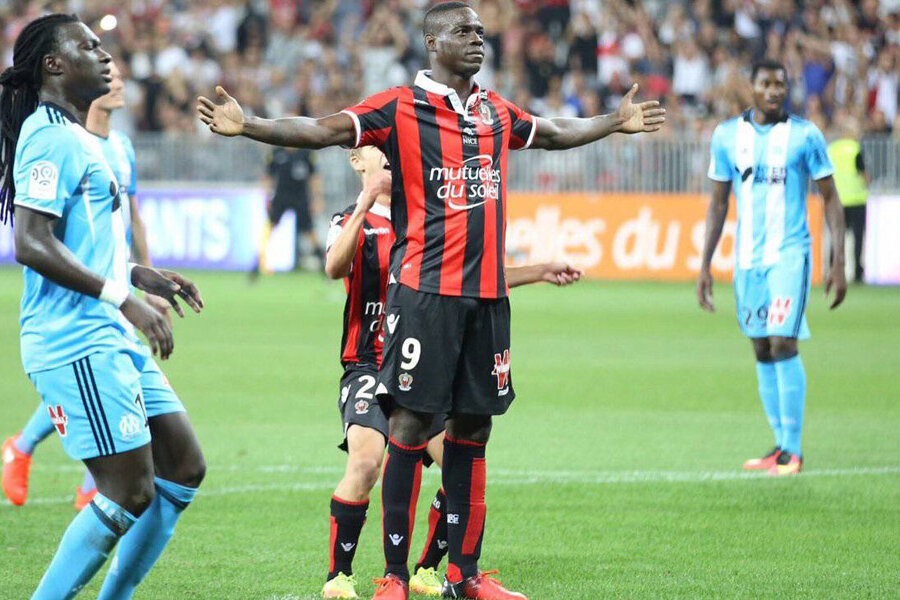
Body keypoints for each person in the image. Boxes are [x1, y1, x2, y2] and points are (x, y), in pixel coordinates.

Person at [197, 3, 664, 598]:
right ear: (433, 42)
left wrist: (613, 121)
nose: (478, 39)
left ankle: (464, 576)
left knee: (474, 430)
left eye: (481, 31)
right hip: (425, 295)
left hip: (487, 298)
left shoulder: (495, 110)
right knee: (411, 426)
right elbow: (321, 129)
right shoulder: (399, 107)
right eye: (464, 31)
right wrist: (251, 125)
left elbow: (551, 133)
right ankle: (394, 576)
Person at [0, 15, 206, 599]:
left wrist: (139, 274)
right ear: (54, 64)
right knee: (128, 488)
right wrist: (124, 299)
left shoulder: (81, 137)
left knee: (182, 467)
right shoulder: (48, 136)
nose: (105, 55)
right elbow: (31, 242)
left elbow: (82, 241)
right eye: (89, 46)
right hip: (74, 339)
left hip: (105, 332)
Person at [321, 145, 583, 599]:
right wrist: (364, 205)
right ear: (357, 161)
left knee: (457, 463)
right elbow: (333, 267)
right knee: (366, 460)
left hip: (424, 358)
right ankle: (339, 575)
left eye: (393, 146)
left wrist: (540, 270)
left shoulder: (425, 219)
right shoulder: (350, 220)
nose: (389, 152)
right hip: (369, 363)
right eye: (377, 147)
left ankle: (427, 569)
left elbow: (475, 277)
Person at [1, 60, 172, 512]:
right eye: (110, 76)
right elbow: (38, 237)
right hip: (82, 292)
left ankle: (70, 474)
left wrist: (143, 275)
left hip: (117, 277)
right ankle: (41, 457)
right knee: (101, 377)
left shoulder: (122, 146)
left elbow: (131, 217)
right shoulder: (67, 142)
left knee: (113, 379)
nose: (119, 83)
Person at [698, 59, 847, 477]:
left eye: (780, 84)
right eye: (765, 83)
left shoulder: (805, 135)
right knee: (762, 346)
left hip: (789, 255)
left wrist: (837, 261)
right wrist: (705, 265)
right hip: (748, 258)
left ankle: (793, 451)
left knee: (783, 341)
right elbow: (717, 204)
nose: (774, 91)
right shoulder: (727, 136)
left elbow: (831, 198)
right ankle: (780, 446)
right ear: (751, 87)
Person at [251, 144, 325, 278]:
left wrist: (316, 198)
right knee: (270, 227)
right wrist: (267, 197)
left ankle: (323, 265)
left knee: (309, 231)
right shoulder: (276, 153)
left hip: (301, 198)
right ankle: (257, 264)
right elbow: (268, 176)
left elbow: (314, 177)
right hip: (281, 198)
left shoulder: (306, 153)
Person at [827, 117, 869, 283]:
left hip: (836, 201)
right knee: (858, 238)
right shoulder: (855, 149)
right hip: (856, 199)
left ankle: (833, 270)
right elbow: (864, 174)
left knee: (836, 237)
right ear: (850, 132)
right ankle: (857, 273)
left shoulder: (831, 149)